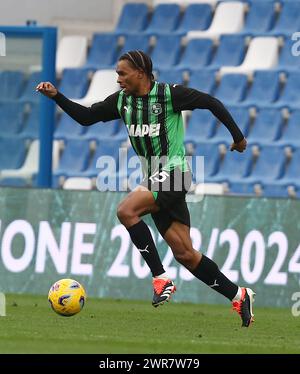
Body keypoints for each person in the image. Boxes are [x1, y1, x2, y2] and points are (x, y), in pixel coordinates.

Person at [37, 50, 255, 327]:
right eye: (117, 73)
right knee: (185, 253)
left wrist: (238, 138)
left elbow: (211, 102)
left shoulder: (169, 95)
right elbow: (87, 117)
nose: (118, 79)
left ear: (140, 73)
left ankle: (160, 277)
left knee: (126, 210)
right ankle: (238, 294)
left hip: (175, 173)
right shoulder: (122, 102)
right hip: (157, 178)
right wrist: (57, 96)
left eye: (122, 73)